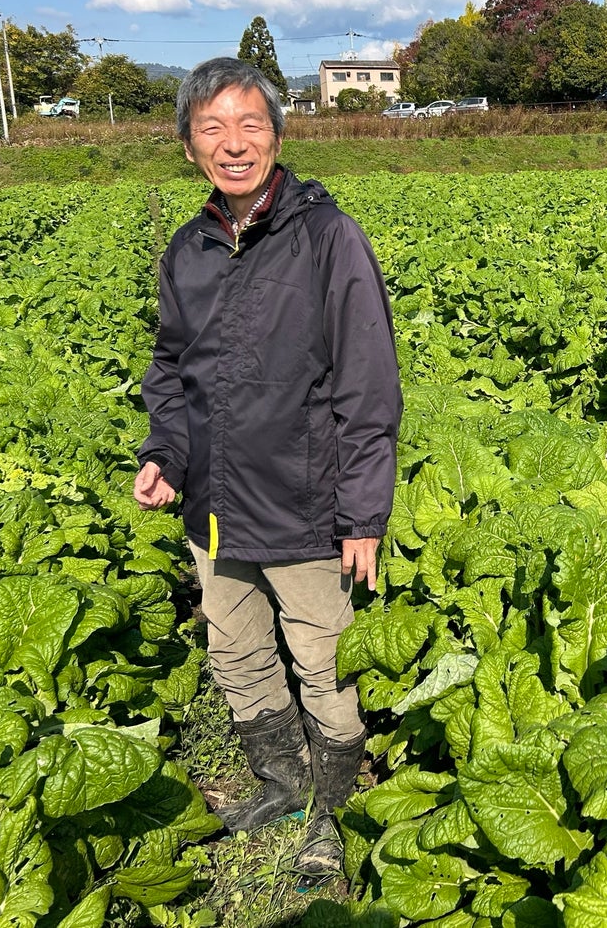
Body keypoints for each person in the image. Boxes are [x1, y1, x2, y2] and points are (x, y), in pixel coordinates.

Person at [133, 57, 402, 877]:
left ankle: (334, 810)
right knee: (238, 653)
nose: (233, 143)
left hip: (303, 500)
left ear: (278, 136)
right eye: (212, 128)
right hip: (213, 505)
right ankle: (283, 783)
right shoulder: (188, 250)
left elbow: (367, 381)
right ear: (189, 146)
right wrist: (165, 453)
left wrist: (363, 513)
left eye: (250, 124)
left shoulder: (326, 237)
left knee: (324, 663)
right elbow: (171, 371)